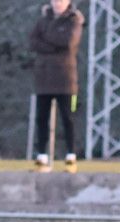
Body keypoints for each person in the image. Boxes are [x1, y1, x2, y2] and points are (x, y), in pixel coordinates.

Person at [28, 0, 83, 173]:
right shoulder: (43, 20)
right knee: (41, 119)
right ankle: (42, 157)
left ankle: (71, 156)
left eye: (61, 1)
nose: (58, 3)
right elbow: (32, 41)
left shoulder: (74, 21)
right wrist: (51, 42)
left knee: (68, 119)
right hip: (44, 79)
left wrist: (45, 38)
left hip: (66, 81)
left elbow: (67, 42)